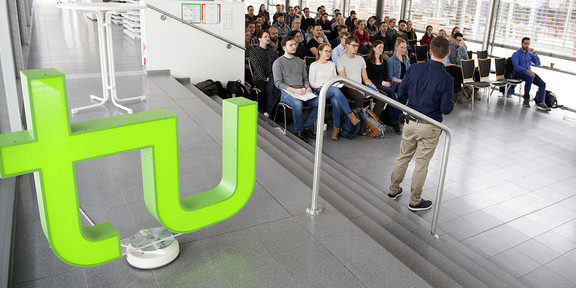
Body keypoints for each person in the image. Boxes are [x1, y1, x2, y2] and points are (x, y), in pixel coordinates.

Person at [388, 36, 454, 212]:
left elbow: (402, 91)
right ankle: (415, 201)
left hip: (410, 121)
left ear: (430, 51)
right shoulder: (447, 79)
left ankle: (393, 189)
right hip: (430, 126)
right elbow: (446, 109)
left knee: (403, 157)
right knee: (421, 164)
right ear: (447, 53)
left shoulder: (415, 68)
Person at [309, 43, 360, 140]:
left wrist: (333, 84)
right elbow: (312, 83)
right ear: (320, 52)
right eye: (326, 51)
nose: (328, 54)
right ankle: (350, 115)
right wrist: (324, 85)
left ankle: (335, 131)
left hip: (332, 89)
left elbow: (335, 79)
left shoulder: (331, 64)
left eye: (330, 52)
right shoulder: (314, 65)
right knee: (335, 90)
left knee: (336, 101)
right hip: (320, 89)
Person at [273, 36, 319, 142]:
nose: (294, 46)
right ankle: (299, 131)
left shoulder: (299, 61)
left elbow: (305, 79)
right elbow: (278, 83)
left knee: (319, 101)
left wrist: (308, 87)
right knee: (297, 104)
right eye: (291, 45)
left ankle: (306, 127)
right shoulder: (278, 62)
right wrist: (295, 90)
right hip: (287, 92)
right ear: (284, 47)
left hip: (302, 91)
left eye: (295, 44)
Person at [365, 40, 402, 134]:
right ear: (373, 48)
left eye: (382, 47)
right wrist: (382, 82)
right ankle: (398, 117)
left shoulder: (384, 61)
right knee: (390, 93)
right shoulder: (368, 62)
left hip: (383, 84)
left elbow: (386, 76)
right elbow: (368, 78)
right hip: (374, 85)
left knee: (390, 93)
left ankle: (395, 119)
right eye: (379, 47)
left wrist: (387, 82)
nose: (381, 49)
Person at [337, 36, 377, 109]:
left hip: (360, 85)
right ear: (347, 45)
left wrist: (371, 85)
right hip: (348, 87)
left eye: (357, 46)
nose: (356, 48)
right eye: (353, 45)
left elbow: (365, 79)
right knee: (359, 96)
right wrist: (358, 89)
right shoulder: (341, 60)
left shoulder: (360, 59)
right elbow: (343, 81)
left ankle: (373, 119)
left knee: (380, 94)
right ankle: (357, 119)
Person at [511, 37, 550, 111]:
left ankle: (540, 102)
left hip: (529, 73)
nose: (527, 45)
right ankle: (526, 99)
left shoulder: (529, 54)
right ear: (521, 43)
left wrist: (534, 53)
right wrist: (527, 71)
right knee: (530, 77)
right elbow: (516, 67)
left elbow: (538, 63)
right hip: (519, 73)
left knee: (542, 84)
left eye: (528, 44)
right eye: (525, 43)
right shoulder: (516, 54)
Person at [250, 30, 278, 113]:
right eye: (265, 36)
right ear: (259, 38)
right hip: (259, 78)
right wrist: (265, 78)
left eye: (268, 36)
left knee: (276, 90)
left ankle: (273, 113)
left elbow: (275, 66)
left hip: (272, 77)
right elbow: (257, 66)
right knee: (264, 89)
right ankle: (264, 111)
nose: (268, 38)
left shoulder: (273, 52)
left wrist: (272, 78)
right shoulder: (254, 51)